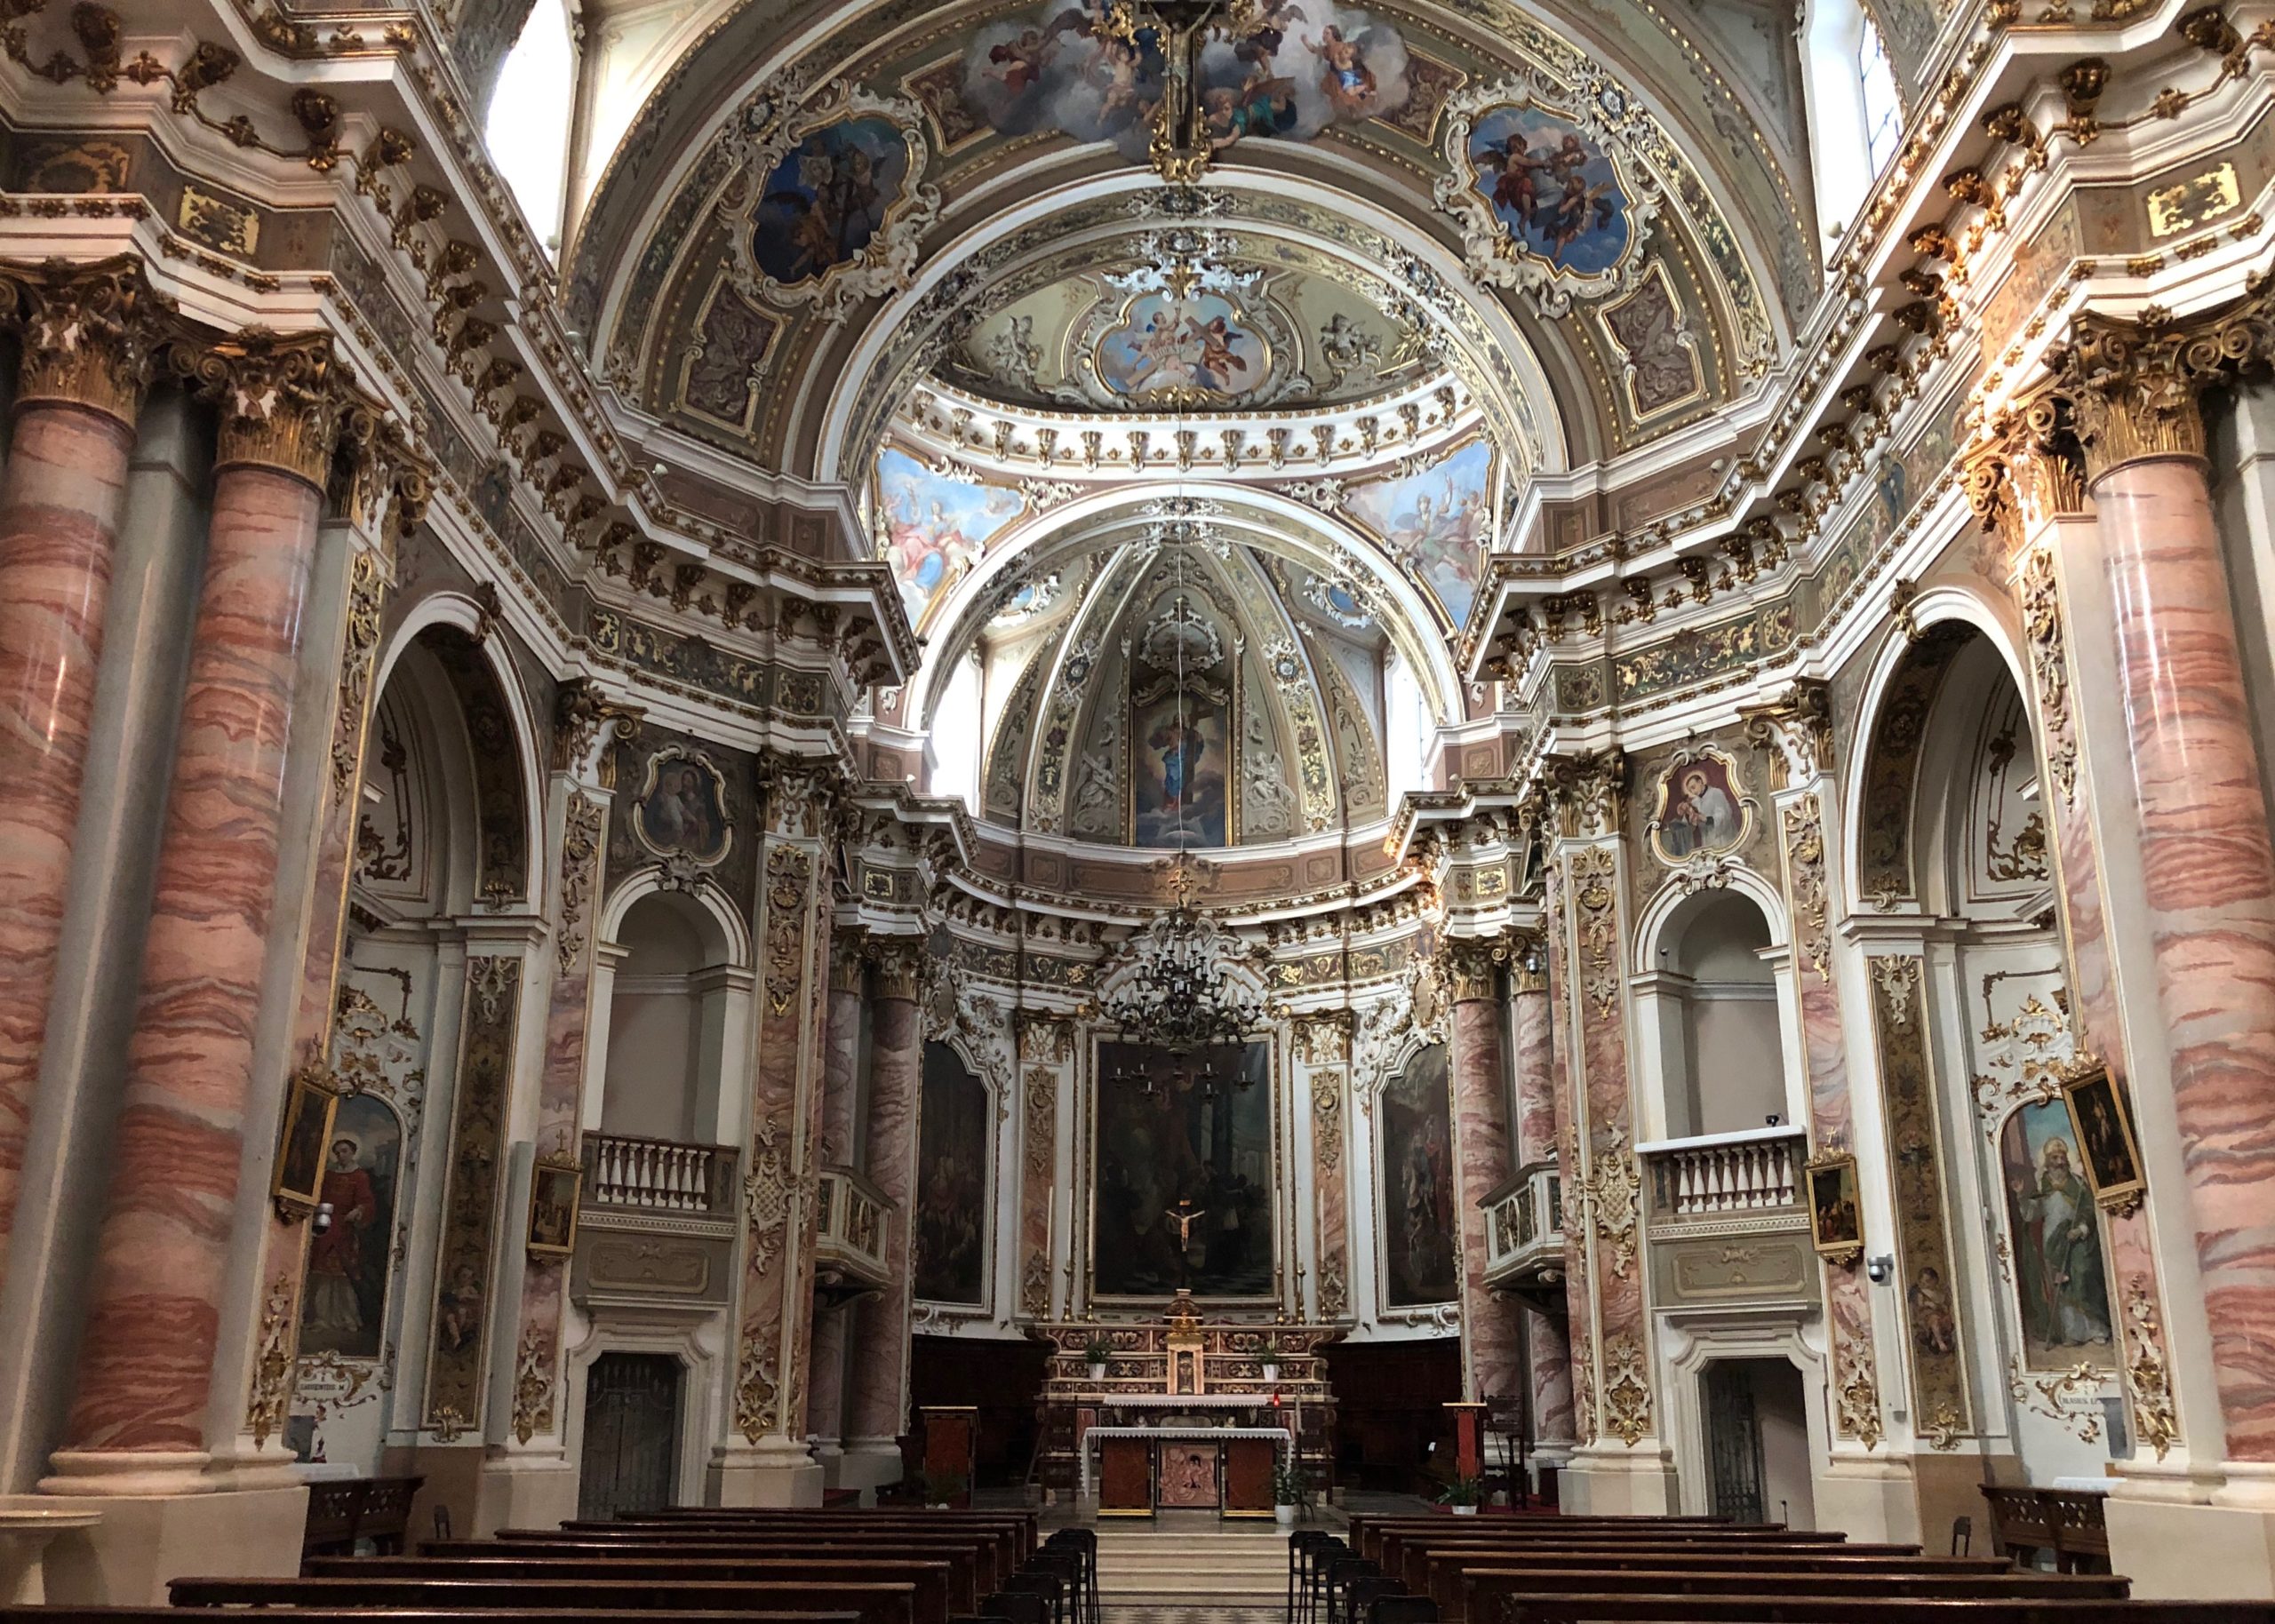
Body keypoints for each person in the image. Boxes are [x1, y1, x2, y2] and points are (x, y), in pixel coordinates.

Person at [303, 1135, 378, 1350]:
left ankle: (346, 1317)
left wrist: (359, 1210)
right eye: (338, 1152)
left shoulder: (360, 1176)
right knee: (321, 1272)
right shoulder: (329, 1174)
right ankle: (320, 1318)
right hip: (326, 1223)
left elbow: (366, 1201)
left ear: (353, 1152)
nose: (341, 1155)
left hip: (345, 1227)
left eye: (344, 1151)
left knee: (342, 1275)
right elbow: (319, 1196)